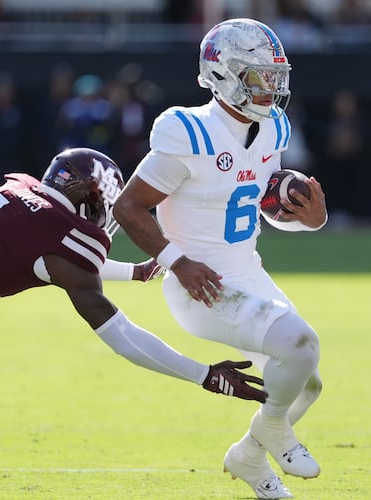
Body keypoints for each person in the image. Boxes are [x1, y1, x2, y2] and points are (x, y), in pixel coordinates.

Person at [0, 147, 267, 497]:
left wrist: (132, 272)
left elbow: (54, 261)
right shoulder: (57, 239)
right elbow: (121, 335)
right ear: (87, 196)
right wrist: (204, 374)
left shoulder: (27, 199)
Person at [113, 18, 328, 499]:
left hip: (247, 271)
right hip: (201, 284)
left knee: (306, 381)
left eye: (274, 76)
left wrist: (311, 217)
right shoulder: (188, 130)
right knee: (301, 343)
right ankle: (272, 430)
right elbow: (127, 207)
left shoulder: (273, 128)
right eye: (258, 76)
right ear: (225, 74)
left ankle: (249, 456)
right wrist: (178, 262)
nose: (270, 88)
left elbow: (262, 208)